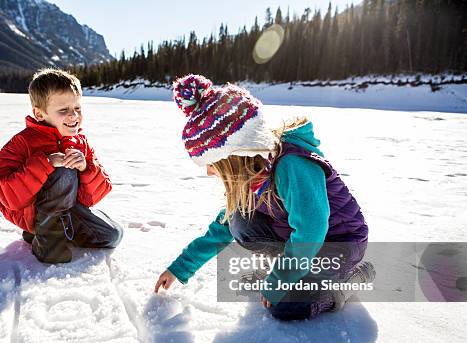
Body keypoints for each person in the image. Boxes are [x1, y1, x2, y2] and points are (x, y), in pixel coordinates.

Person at [154, 74, 374, 321]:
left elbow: (312, 229)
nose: (208, 171)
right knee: (239, 221)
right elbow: (222, 228)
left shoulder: (292, 165)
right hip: (301, 240)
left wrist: (281, 278)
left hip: (339, 244)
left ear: (236, 154)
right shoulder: (251, 177)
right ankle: (293, 270)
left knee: (285, 306)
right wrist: (180, 268)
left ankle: (349, 280)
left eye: (212, 163)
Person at [0, 68, 122, 263]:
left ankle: (52, 232)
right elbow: (8, 196)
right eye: (63, 111)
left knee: (112, 235)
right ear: (39, 113)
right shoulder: (22, 143)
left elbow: (93, 197)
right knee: (63, 172)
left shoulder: (80, 143)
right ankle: (47, 242)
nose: (73, 116)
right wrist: (45, 163)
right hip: (32, 213)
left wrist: (85, 167)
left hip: (68, 211)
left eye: (77, 108)